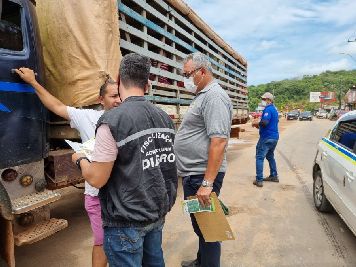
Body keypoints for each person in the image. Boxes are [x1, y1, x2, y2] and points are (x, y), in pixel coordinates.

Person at [72, 53, 178, 267]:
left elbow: (97, 179)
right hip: (155, 213)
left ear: (119, 79)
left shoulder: (112, 120)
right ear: (147, 84)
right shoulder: (164, 117)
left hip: (125, 221)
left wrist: (80, 158)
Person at [15, 68, 120, 267]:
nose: (118, 100)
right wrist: (33, 82)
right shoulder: (88, 117)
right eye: (113, 96)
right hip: (97, 194)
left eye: (121, 96)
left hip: (123, 193)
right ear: (101, 100)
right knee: (102, 242)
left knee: (125, 241)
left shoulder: (131, 118)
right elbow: (56, 106)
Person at [174, 52, 233, 267]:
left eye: (187, 74)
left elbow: (218, 141)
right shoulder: (202, 95)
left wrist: (207, 184)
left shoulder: (214, 97)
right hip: (194, 173)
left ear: (202, 72)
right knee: (201, 224)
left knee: (208, 226)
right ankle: (202, 262)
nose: (185, 79)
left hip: (201, 175)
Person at [252, 92, 279, 187]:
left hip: (266, 137)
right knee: (270, 156)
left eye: (264, 99)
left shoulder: (268, 109)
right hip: (274, 137)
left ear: (269, 100)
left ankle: (259, 180)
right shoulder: (275, 110)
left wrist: (257, 123)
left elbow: (265, 123)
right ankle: (274, 176)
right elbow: (269, 125)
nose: (262, 101)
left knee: (259, 157)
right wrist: (259, 127)